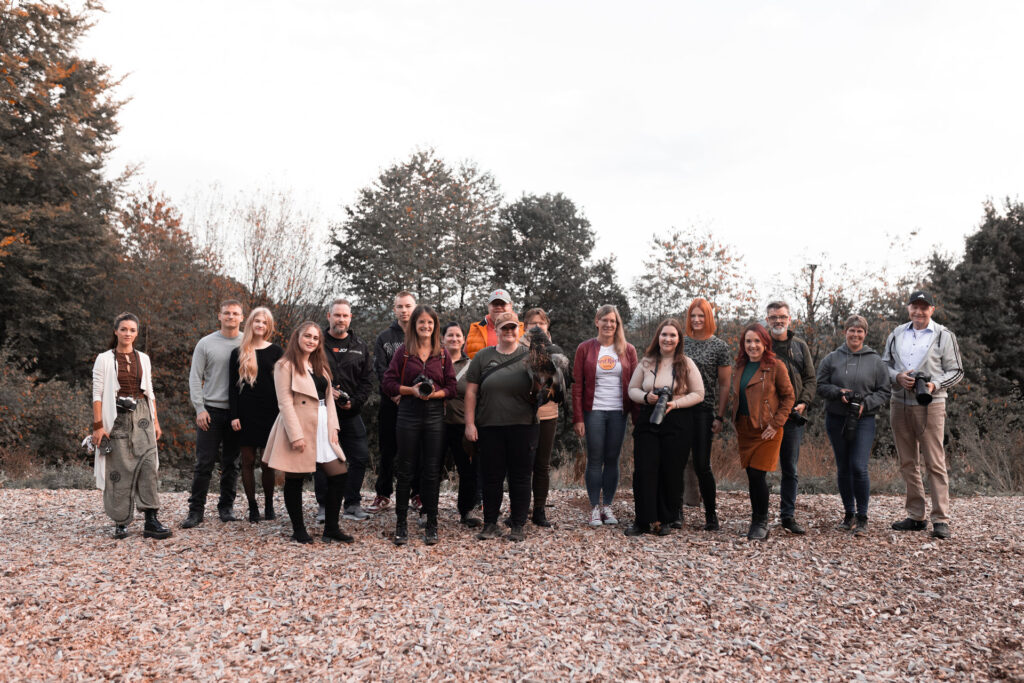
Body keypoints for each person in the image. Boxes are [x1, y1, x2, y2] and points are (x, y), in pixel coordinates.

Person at [881, 291, 963, 540]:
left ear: (932, 310)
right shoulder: (896, 334)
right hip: (899, 402)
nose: (918, 312)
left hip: (931, 404)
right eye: (914, 307)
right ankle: (916, 516)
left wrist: (933, 385)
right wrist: (896, 376)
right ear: (908, 309)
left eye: (923, 308)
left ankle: (941, 519)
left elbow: (957, 371)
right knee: (907, 462)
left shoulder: (944, 335)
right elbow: (884, 364)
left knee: (935, 463)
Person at [262, 322, 351, 544]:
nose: (311, 341)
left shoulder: (318, 364)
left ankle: (331, 528)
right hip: (299, 425)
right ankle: (298, 530)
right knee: (295, 478)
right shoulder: (285, 365)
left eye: (315, 338)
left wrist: (334, 427)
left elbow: (329, 398)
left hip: (323, 423)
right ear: (297, 337)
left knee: (339, 473)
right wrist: (296, 435)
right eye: (307, 336)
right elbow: (284, 403)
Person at [90, 312, 171, 540]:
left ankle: (151, 520)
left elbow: (150, 391)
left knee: (148, 466)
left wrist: (155, 420)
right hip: (116, 417)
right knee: (119, 468)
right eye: (124, 329)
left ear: (137, 333)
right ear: (115, 331)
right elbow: (97, 394)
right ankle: (121, 522)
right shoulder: (104, 359)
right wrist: (98, 426)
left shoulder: (143, 358)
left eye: (132, 330)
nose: (128, 334)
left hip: (143, 414)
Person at [382, 305, 457, 546]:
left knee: (432, 471)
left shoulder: (442, 354)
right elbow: (388, 383)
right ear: (414, 325)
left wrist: (435, 394)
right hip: (408, 413)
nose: (426, 326)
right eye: (421, 322)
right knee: (405, 470)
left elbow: (452, 388)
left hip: (435, 415)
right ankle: (401, 523)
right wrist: (410, 390)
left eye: (430, 323)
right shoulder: (403, 352)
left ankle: (431, 523)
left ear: (435, 326)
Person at [624, 319, 704, 536]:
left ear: (678, 340)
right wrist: (645, 397)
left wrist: (675, 403)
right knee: (644, 469)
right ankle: (642, 520)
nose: (668, 339)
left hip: (677, 418)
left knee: (671, 470)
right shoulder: (647, 362)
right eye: (664, 335)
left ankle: (665, 519)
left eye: (672, 335)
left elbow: (698, 394)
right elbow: (632, 389)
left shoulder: (686, 363)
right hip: (649, 416)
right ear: (657, 337)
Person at [465, 311, 538, 542]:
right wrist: (469, 423)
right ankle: (490, 524)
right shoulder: (483, 357)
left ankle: (518, 525)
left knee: (520, 476)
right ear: (495, 330)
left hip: (523, 425)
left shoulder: (532, 356)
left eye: (512, 328)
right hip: (489, 425)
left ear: (519, 329)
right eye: (503, 328)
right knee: (491, 477)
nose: (508, 332)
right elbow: (471, 391)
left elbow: (544, 390)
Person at [816, 315, 891, 535]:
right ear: (845, 332)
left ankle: (863, 517)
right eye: (851, 330)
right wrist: (838, 393)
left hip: (863, 419)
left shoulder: (875, 361)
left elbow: (884, 391)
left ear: (865, 334)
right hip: (836, 418)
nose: (855, 334)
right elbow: (821, 386)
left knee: (859, 466)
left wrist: (865, 404)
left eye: (860, 331)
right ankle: (848, 514)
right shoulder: (831, 358)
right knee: (844, 467)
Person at [725, 323, 795, 541]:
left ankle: (761, 522)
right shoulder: (739, 366)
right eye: (748, 341)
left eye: (757, 341)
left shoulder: (776, 366)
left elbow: (789, 397)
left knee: (757, 474)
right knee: (751, 476)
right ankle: (755, 517)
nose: (752, 345)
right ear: (743, 344)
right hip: (745, 428)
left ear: (765, 343)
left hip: (768, 429)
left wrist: (776, 424)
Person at [572, 304, 638, 527]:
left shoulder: (628, 350)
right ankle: (594, 508)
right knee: (595, 459)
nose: (609, 324)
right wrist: (578, 418)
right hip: (594, 411)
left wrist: (637, 419)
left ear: (617, 324)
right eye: (605, 320)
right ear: (596, 321)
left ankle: (607, 506)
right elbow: (577, 386)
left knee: (612, 459)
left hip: (619, 412)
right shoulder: (585, 349)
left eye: (613, 321)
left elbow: (636, 385)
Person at [182, 300, 244, 528]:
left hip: (237, 414)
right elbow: (194, 377)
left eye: (235, 313)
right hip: (211, 411)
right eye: (226, 313)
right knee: (204, 463)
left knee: (231, 463)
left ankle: (226, 507)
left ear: (242, 317)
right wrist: (199, 408)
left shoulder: (248, 342)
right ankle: (195, 511)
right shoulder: (206, 343)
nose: (230, 316)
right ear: (219, 316)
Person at [317, 299, 373, 524]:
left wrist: (354, 402)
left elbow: (368, 381)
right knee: (323, 458)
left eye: (345, 316)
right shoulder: (316, 342)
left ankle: (352, 503)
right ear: (328, 316)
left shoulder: (360, 345)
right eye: (336, 315)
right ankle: (324, 505)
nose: (341, 319)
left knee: (359, 457)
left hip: (350, 412)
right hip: (322, 411)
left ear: (350, 318)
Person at [679, 298, 732, 531]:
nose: (697, 320)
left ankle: (711, 514)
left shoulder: (719, 346)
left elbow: (724, 385)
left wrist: (719, 416)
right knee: (677, 461)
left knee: (702, 463)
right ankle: (676, 512)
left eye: (701, 315)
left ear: (709, 318)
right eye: (693, 316)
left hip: (704, 410)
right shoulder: (681, 343)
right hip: (680, 407)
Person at [765, 301, 816, 535]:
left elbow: (810, 378)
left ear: (789, 319)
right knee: (762, 467)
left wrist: (804, 402)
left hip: (793, 415)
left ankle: (788, 516)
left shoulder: (800, 346)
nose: (778, 321)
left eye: (782, 317)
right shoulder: (761, 344)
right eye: (774, 317)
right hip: (767, 416)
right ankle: (761, 516)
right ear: (767, 320)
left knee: (790, 469)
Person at [229, 307, 284, 522]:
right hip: (245, 413)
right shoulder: (239, 352)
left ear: (269, 326)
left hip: (271, 412)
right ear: (250, 323)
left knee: (267, 462)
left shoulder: (277, 352)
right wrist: (234, 415)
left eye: (264, 322)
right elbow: (232, 388)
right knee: (247, 461)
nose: (260, 325)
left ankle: (269, 505)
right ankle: (252, 507)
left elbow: (284, 384)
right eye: (257, 321)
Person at [367, 291, 417, 514]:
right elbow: (381, 370)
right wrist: (396, 394)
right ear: (394, 309)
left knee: (416, 450)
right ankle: (383, 494)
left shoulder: (423, 333)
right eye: (400, 306)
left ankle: (417, 494)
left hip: (417, 402)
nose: (404, 310)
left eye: (408, 306)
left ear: (414, 307)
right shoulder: (385, 337)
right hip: (391, 402)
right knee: (388, 450)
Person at [522, 307, 564, 527]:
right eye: (532, 323)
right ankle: (519, 508)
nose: (537, 326)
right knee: (520, 464)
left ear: (547, 326)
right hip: (520, 412)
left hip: (547, 412)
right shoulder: (517, 347)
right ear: (525, 326)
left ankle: (539, 509)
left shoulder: (554, 350)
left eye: (541, 322)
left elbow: (560, 385)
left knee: (542, 464)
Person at [441, 321, 483, 528]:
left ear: (464, 340)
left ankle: (466, 511)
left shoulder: (473, 365)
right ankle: (426, 511)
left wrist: (474, 423)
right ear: (442, 339)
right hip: (436, 424)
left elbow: (478, 395)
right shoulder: (434, 362)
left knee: (467, 470)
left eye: (458, 336)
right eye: (450, 335)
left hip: (461, 423)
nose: (454, 339)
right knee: (430, 469)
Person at [465, 288, 525, 359]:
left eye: (503, 304)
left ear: (510, 305)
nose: (499, 307)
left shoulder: (524, 329)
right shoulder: (475, 329)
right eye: (495, 304)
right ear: (488, 306)